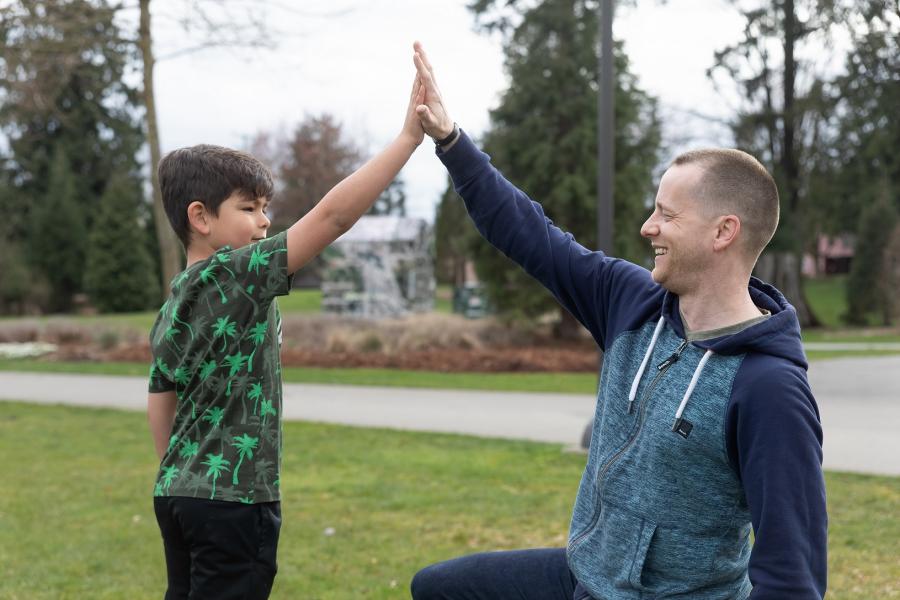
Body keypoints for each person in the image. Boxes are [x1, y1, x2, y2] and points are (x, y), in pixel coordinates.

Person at [409, 42, 827, 599]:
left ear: (723, 232)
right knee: (439, 589)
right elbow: (529, 233)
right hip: (589, 576)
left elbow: (792, 575)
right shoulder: (631, 303)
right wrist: (450, 140)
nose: (647, 227)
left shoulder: (769, 388)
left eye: (667, 214)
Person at [146, 75, 425, 600]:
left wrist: (174, 472)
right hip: (234, 500)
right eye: (248, 209)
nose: (265, 221)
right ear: (200, 217)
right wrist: (408, 139)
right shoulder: (236, 276)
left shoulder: (173, 302)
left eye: (264, 207)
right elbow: (334, 216)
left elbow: (161, 395)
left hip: (178, 495)